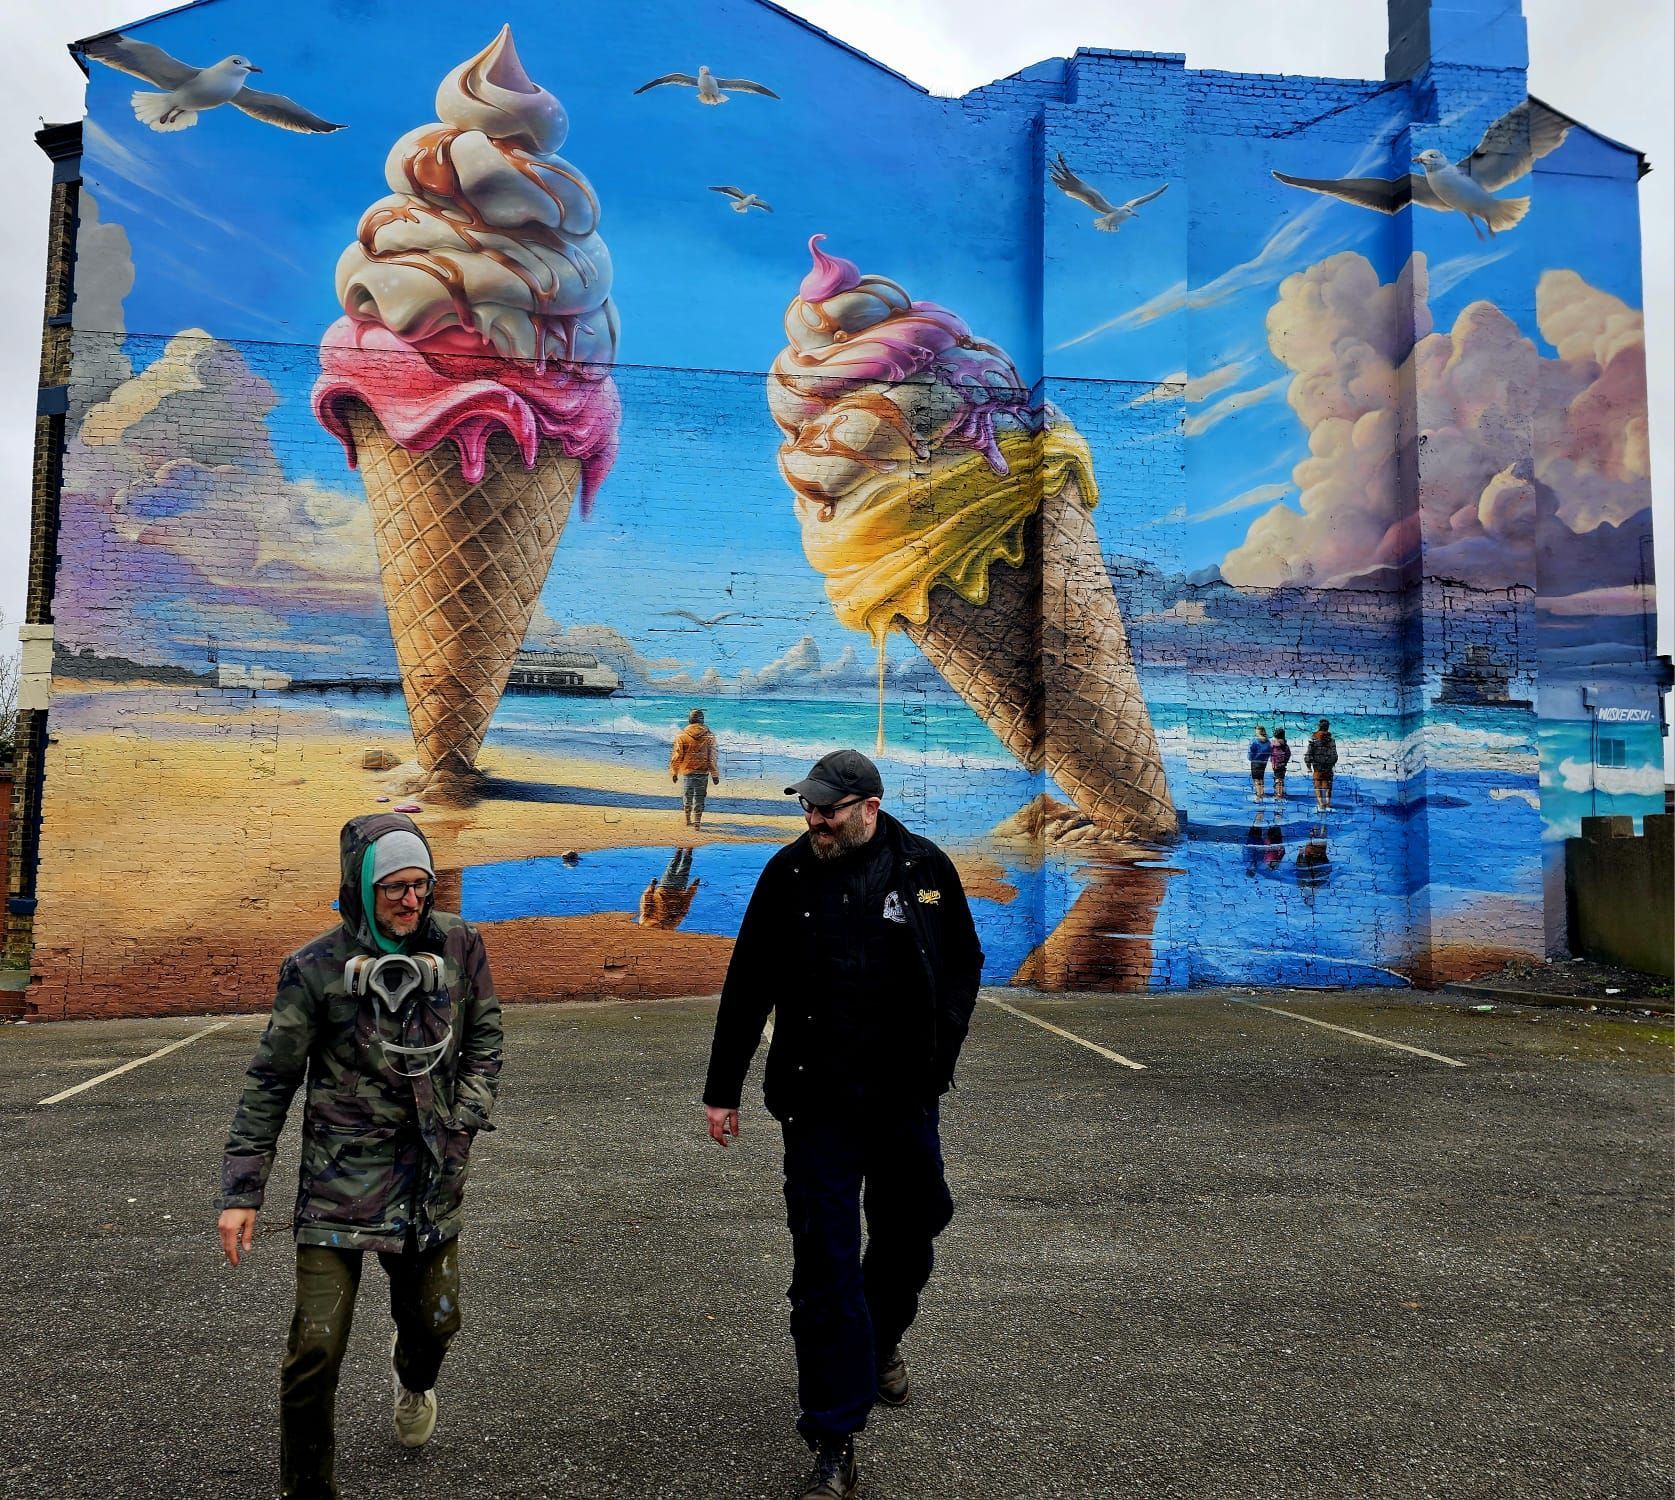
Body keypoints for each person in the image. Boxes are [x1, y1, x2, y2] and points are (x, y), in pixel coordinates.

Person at [702, 749, 984, 1500]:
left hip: (902, 1100)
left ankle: (880, 1338)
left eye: (827, 809)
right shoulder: (787, 875)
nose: (814, 821)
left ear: (869, 806)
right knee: (824, 1269)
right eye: (808, 809)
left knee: (915, 1226)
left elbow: (963, 961)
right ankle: (833, 1436)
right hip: (816, 1102)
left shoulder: (924, 867)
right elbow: (747, 981)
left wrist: (939, 1052)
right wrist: (720, 1089)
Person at [216, 814, 503, 1500]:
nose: (410, 901)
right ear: (360, 888)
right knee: (315, 1349)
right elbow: (270, 1080)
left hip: (429, 1182)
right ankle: (307, 1488)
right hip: (338, 1182)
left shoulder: (461, 947)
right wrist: (241, 1191)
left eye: (421, 887)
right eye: (394, 889)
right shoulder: (313, 970)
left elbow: (485, 1040)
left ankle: (414, 1381)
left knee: (435, 1323)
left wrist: (462, 1121)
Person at [670, 707, 722, 829]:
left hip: (688, 772)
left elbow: (677, 756)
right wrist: (714, 774)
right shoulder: (709, 736)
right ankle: (697, 822)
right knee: (700, 797)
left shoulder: (682, 736)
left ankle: (688, 820)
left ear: (689, 720)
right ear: (702, 721)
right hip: (703, 773)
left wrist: (674, 771)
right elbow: (712, 758)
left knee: (687, 796)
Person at [638, 845, 701, 929]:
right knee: (684, 867)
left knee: (673, 866)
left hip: (665, 887)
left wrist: (651, 886)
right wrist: (693, 886)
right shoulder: (669, 925)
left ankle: (680, 848)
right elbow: (684, 907)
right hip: (678, 888)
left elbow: (646, 903)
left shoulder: (645, 921)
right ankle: (687, 848)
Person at [1305, 718, 1338, 811]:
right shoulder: (1331, 740)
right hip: (1328, 766)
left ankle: (1321, 804)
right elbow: (1335, 755)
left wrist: (1308, 765)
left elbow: (1308, 754)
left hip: (1317, 766)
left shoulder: (1313, 739)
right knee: (1328, 785)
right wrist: (1332, 763)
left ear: (1319, 727)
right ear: (1328, 728)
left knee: (1317, 785)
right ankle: (1328, 804)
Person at [1247, 724, 1272, 801]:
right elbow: (1269, 752)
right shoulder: (1268, 741)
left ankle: (1259, 795)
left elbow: (1250, 753)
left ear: (1258, 732)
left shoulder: (1254, 741)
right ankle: (1262, 793)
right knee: (1261, 777)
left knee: (1256, 779)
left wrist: (1250, 758)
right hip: (1263, 762)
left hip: (1255, 762)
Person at [1269, 726, 1292, 800]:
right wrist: (1285, 761)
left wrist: (1271, 759)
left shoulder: (1272, 744)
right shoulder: (1285, 745)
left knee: (1277, 779)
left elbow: (1269, 753)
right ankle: (1280, 793)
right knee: (1280, 779)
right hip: (1282, 764)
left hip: (1275, 764)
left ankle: (1279, 794)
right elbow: (1288, 754)